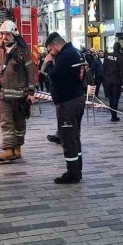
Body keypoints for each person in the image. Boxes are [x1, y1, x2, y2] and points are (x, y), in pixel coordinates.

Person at [0, 20, 37, 162]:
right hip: (2, 95)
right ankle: (8, 150)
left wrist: (31, 92)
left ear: (14, 34)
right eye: (3, 33)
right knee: (6, 122)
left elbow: (31, 72)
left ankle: (17, 149)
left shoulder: (23, 51)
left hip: (19, 95)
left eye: (7, 34)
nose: (4, 36)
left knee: (19, 123)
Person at [44, 32, 86, 184]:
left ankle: (72, 173)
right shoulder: (76, 52)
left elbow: (55, 76)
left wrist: (48, 63)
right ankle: (77, 169)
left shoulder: (65, 55)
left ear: (56, 45)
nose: (50, 52)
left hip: (68, 101)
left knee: (68, 138)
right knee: (74, 136)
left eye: (50, 49)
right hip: (78, 98)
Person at [103, 43, 123, 121]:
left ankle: (112, 113)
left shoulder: (107, 56)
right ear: (119, 48)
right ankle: (114, 115)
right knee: (115, 98)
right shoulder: (120, 57)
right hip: (116, 81)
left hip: (108, 80)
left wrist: (105, 78)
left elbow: (104, 67)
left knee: (111, 98)